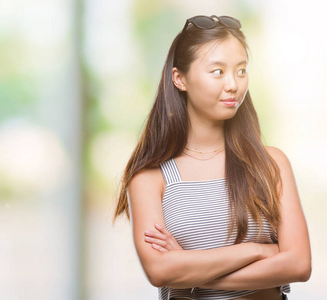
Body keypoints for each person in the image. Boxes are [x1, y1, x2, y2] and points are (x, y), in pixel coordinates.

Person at [112, 15, 311, 300]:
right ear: (180, 78)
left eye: (241, 71)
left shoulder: (271, 164)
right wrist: (258, 250)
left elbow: (299, 264)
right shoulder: (149, 178)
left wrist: (191, 272)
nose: (233, 84)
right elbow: (159, 271)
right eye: (218, 72)